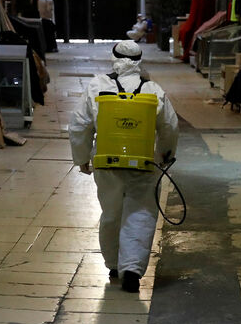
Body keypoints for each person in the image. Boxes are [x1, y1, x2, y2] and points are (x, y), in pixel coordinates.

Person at [68, 40, 180, 293]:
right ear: (140, 61)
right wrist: (165, 155)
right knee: (140, 212)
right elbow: (170, 127)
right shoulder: (153, 89)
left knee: (111, 213)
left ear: (113, 58)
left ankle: (114, 265)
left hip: (107, 162)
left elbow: (78, 125)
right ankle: (132, 269)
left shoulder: (97, 85)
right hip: (143, 163)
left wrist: (82, 157)